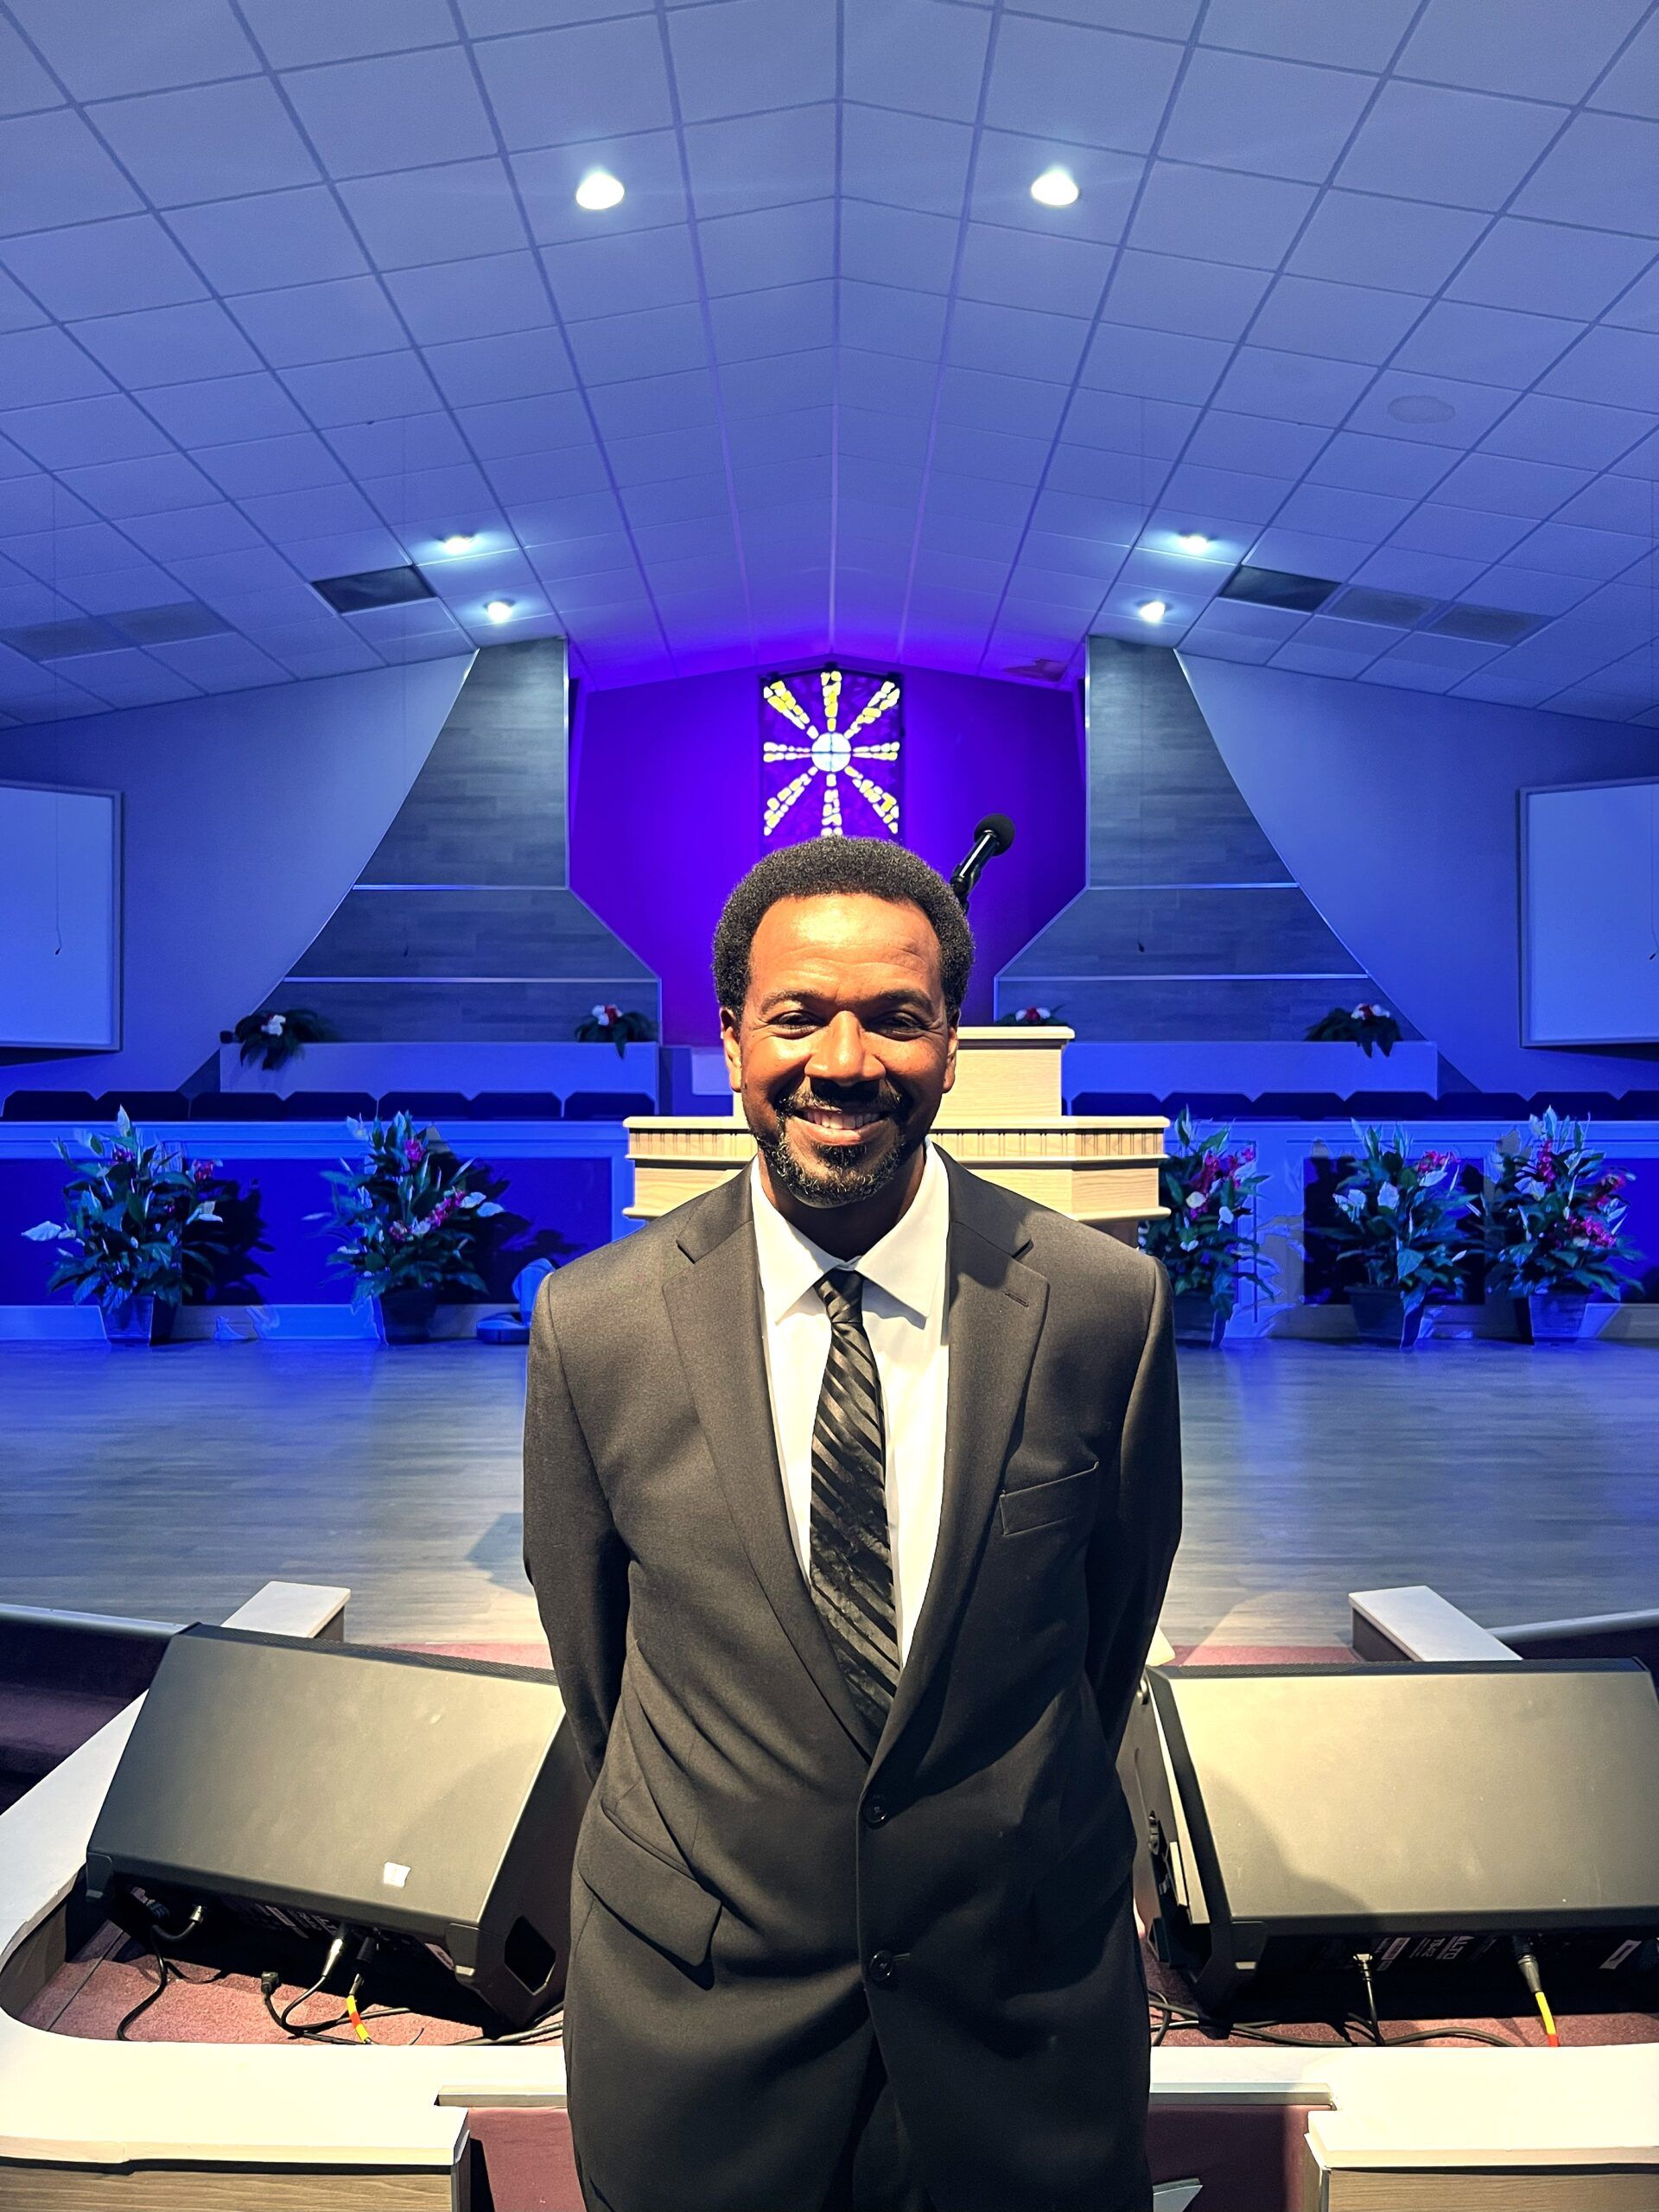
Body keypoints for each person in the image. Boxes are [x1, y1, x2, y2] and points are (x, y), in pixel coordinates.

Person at [523, 837, 1181, 2212]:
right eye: (796, 1016)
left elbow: (1106, 1638)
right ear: (729, 1038)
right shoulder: (596, 1324)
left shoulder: (1102, 1307)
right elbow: (596, 1670)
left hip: (1023, 2018)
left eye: (895, 1017)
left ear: (952, 1044)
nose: (843, 1059)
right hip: (702, 2027)